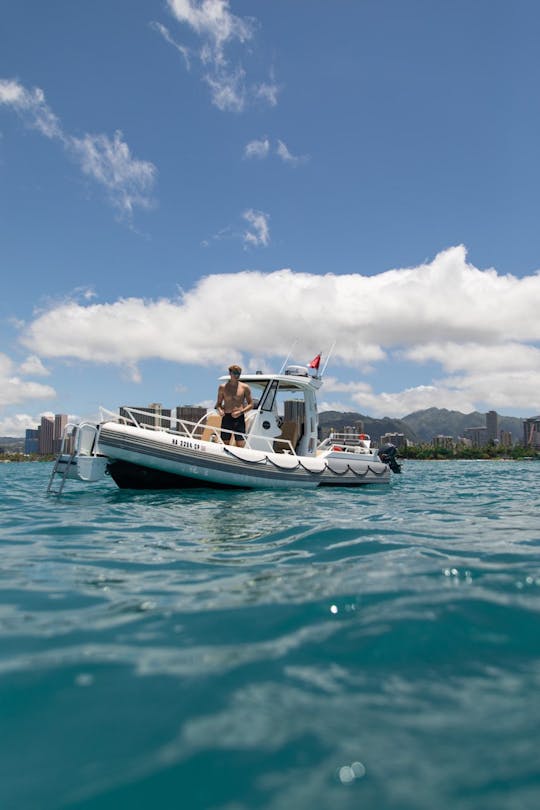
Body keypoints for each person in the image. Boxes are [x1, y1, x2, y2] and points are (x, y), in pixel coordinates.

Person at [215, 365, 253, 447]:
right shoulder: (223, 387)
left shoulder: (245, 387)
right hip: (227, 417)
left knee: (240, 444)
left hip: (239, 418)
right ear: (230, 373)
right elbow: (218, 404)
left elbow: (251, 404)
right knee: (225, 444)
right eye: (235, 373)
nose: (237, 375)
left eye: (238, 373)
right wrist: (220, 410)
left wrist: (241, 412)